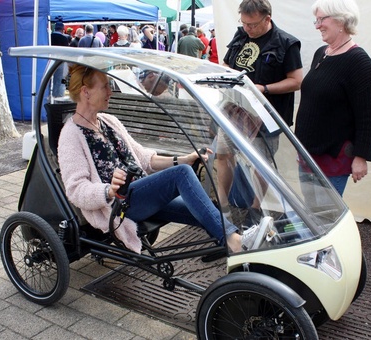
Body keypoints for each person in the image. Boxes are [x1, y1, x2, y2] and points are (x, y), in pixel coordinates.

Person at [57, 65, 274, 254]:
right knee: (182, 177)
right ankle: (235, 242)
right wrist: (108, 190)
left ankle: (236, 250)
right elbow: (75, 190)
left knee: (202, 209)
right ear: (85, 92)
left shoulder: (107, 120)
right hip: (119, 206)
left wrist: (183, 159)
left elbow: (144, 158)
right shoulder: (71, 134)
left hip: (141, 195)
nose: (110, 91)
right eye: (104, 86)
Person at [219, 0, 303, 219]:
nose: (248, 29)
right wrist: (228, 74)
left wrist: (264, 88)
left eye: (253, 24)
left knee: (261, 164)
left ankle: (255, 209)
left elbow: (296, 81)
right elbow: (226, 63)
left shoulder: (286, 43)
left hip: (267, 115)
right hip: (234, 109)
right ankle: (222, 204)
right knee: (222, 153)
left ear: (268, 18)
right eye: (244, 23)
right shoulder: (240, 35)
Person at [294, 0, 371, 195]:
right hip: (307, 153)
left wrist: (361, 156)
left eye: (321, 19)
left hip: (332, 158)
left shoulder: (359, 62)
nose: (317, 25)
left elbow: (367, 116)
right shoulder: (321, 53)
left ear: (342, 21)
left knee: (326, 218)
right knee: (311, 215)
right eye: (316, 20)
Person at [50, 21, 70, 98]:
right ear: (62, 29)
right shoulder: (64, 38)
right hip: (60, 61)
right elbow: (66, 52)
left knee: (48, 79)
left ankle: (48, 95)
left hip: (50, 60)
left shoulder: (49, 36)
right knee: (60, 80)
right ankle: (58, 96)